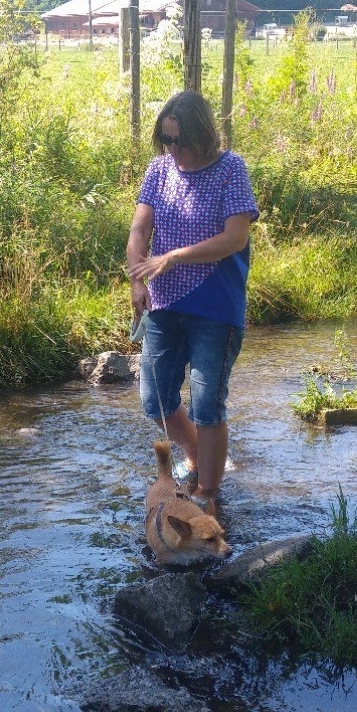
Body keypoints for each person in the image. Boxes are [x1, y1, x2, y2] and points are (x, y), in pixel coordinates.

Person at [127, 90, 259, 501]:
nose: (173, 149)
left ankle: (207, 495)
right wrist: (137, 279)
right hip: (163, 305)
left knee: (206, 406)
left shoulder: (230, 169)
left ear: (203, 136)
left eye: (180, 140)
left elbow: (235, 238)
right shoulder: (160, 170)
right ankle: (196, 453)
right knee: (155, 399)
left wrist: (174, 257)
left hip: (215, 308)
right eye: (166, 140)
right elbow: (138, 232)